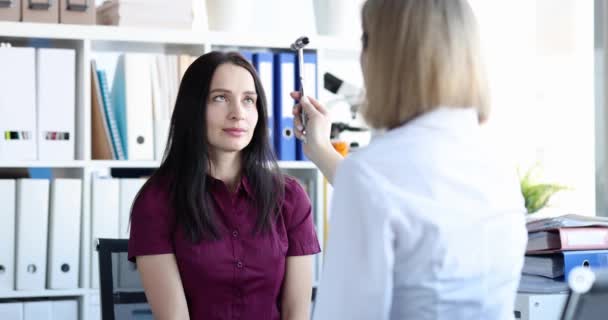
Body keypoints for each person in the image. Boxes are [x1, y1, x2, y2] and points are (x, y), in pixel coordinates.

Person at [292, 0, 528, 319]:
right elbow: (410, 200)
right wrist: (322, 150)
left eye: (366, 40)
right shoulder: (497, 165)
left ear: (391, 59)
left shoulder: (370, 173)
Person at [128, 51, 321, 320]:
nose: (237, 114)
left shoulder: (290, 198)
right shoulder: (157, 200)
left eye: (248, 100)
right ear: (193, 107)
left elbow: (296, 314)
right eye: (220, 98)